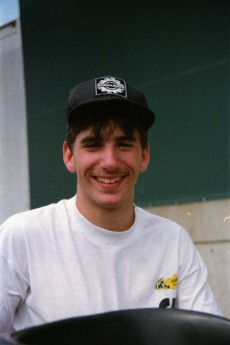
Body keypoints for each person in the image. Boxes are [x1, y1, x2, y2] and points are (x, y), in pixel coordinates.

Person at [0, 75, 221, 333]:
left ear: (144, 156)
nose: (110, 162)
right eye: (93, 145)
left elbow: (208, 337)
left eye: (124, 144)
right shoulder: (23, 236)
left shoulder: (173, 241)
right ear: (69, 156)